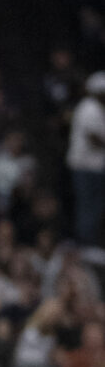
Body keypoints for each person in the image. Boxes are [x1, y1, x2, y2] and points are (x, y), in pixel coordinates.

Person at [66, 71, 105, 246]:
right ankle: (85, 243)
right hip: (85, 168)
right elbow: (94, 138)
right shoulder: (88, 107)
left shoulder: (101, 108)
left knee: (96, 208)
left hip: (96, 167)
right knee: (87, 207)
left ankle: (93, 242)